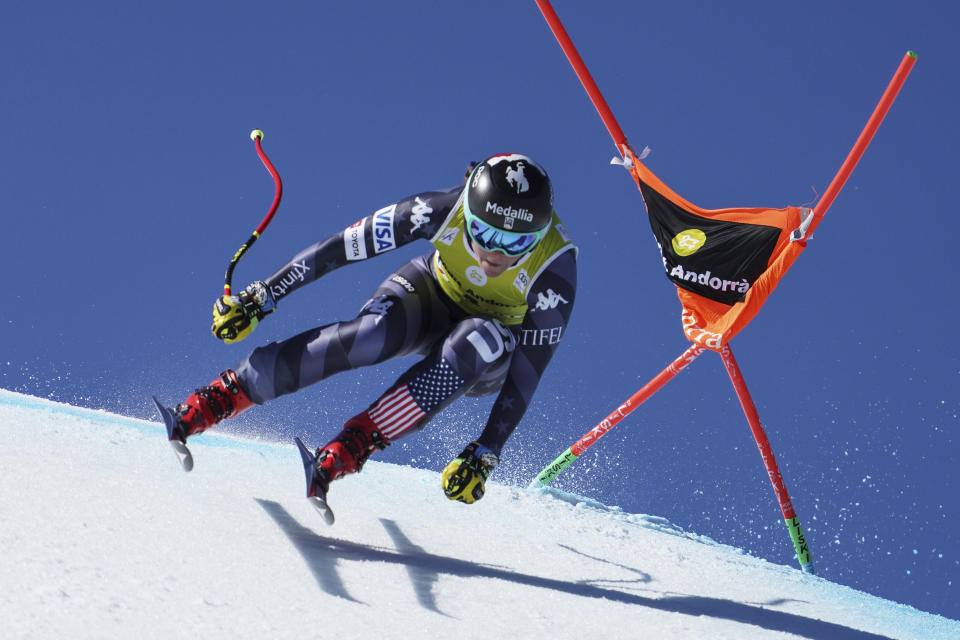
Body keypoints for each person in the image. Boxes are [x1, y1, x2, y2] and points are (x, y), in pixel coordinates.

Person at [156, 153, 577, 508]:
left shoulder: (554, 268)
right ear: (467, 211)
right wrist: (265, 295)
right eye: (483, 234)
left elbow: (527, 372)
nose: (494, 256)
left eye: (516, 244)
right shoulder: (437, 210)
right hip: (431, 294)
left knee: (478, 340)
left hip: (488, 351)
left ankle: (353, 446)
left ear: (538, 237)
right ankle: (223, 396)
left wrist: (486, 451)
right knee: (371, 334)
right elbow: (341, 247)